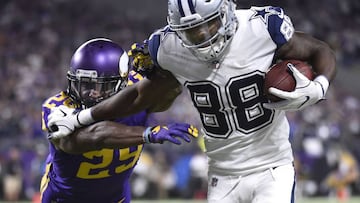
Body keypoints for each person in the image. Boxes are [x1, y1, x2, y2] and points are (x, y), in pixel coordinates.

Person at [48, 1, 337, 202]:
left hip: (272, 164)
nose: (201, 36)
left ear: (226, 11)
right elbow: (138, 96)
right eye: (191, 31)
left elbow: (319, 50)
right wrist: (79, 118)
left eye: (208, 26)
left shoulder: (262, 28)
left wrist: (320, 86)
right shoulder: (168, 47)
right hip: (222, 172)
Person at [40, 38, 198, 203]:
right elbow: (95, 136)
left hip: (116, 198)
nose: (90, 93)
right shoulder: (58, 108)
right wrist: (147, 134)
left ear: (122, 84)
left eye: (100, 86)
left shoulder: (133, 91)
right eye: (84, 85)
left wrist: (164, 67)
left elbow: (167, 93)